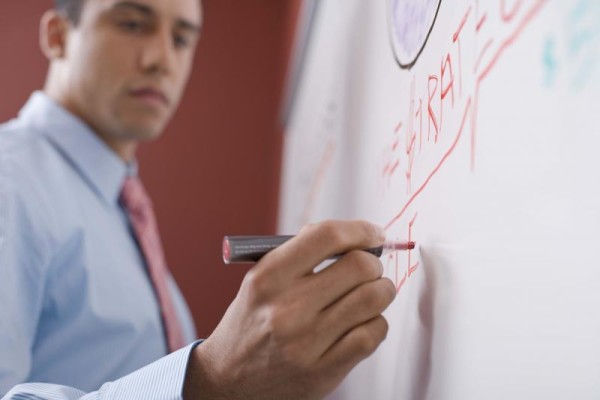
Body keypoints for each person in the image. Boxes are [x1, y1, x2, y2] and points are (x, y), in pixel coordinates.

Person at [0, 0, 396, 398]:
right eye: (132, 24)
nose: (162, 59)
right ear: (57, 36)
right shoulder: (10, 177)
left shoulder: (120, 212)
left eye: (181, 38)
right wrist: (210, 380)